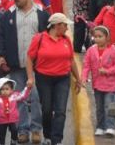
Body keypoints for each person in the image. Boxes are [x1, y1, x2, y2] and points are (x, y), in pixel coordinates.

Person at [0, 0, 49, 144]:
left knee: (36, 97)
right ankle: (23, 129)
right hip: (16, 64)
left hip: (38, 66)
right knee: (19, 98)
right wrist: (1, 55)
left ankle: (36, 129)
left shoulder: (42, 14)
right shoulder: (8, 15)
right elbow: (0, 36)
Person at [26, 13, 83, 145]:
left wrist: (78, 79)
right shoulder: (39, 38)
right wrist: (30, 77)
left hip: (62, 78)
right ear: (57, 25)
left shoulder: (66, 40)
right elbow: (30, 58)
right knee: (46, 109)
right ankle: (47, 135)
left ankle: (56, 140)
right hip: (43, 78)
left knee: (61, 110)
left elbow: (71, 60)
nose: (67, 28)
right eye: (65, 25)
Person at [82, 26, 115, 137]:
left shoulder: (114, 51)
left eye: (100, 36)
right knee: (99, 106)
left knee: (108, 105)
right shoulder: (91, 50)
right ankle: (100, 126)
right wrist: (84, 78)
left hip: (110, 84)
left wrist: (107, 71)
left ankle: (110, 126)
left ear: (107, 37)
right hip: (97, 84)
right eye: (95, 36)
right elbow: (86, 66)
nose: (97, 39)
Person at [93, 0, 115, 102]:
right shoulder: (106, 11)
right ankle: (110, 116)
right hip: (106, 59)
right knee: (108, 89)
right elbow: (96, 26)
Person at [0, 78, 32, 145]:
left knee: (14, 130)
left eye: (7, 89)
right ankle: (1, 142)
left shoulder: (14, 96)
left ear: (11, 90)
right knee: (1, 133)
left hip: (13, 119)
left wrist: (27, 89)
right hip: (1, 120)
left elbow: (22, 96)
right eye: (2, 89)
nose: (4, 91)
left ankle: (14, 140)